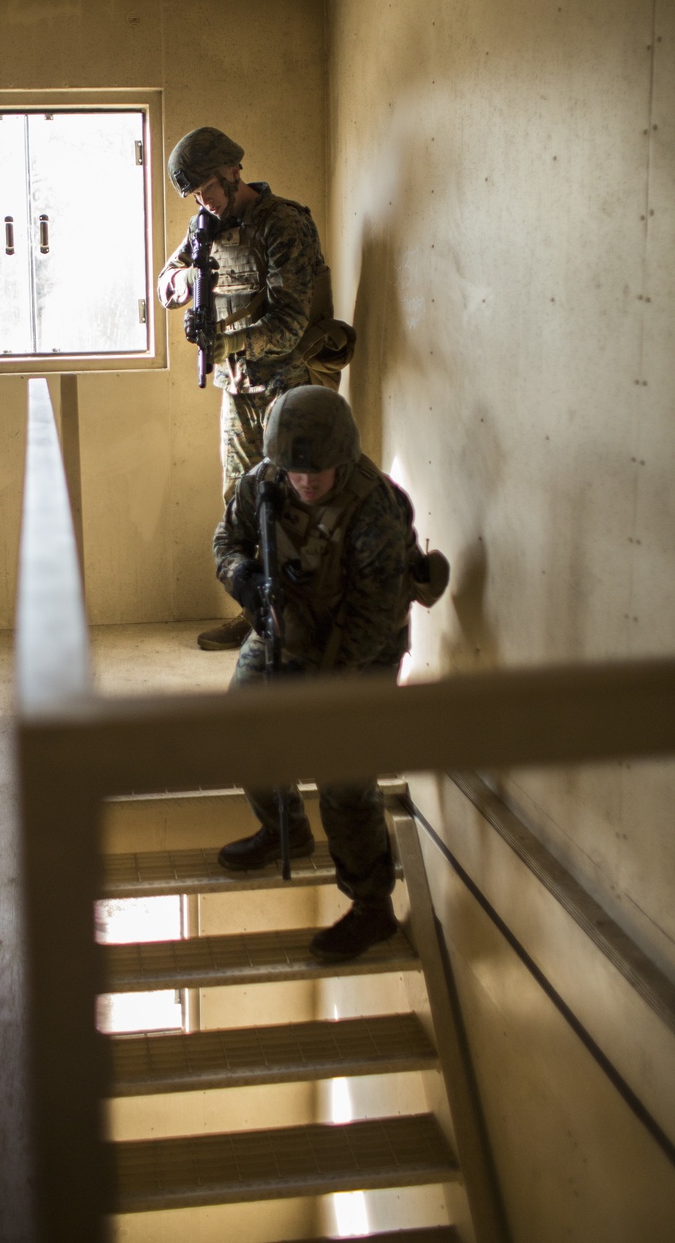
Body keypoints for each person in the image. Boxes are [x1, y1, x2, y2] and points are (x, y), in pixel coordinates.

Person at [213, 385, 447, 963]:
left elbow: (375, 618)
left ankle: (372, 908)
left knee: (344, 781)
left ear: (342, 457)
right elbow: (227, 540)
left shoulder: (376, 512)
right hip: (284, 631)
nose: (306, 481)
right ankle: (284, 831)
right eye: (296, 470)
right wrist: (242, 577)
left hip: (357, 656)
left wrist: (316, 689)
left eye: (318, 471)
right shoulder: (264, 482)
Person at [158, 126, 331, 651]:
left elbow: (289, 325)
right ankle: (256, 613)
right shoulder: (204, 226)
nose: (202, 203)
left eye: (206, 190)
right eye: (193, 196)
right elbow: (168, 278)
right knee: (240, 502)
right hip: (238, 390)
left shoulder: (284, 226)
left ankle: (303, 619)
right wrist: (182, 283)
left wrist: (225, 348)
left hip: (287, 387)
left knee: (295, 506)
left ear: (233, 172)